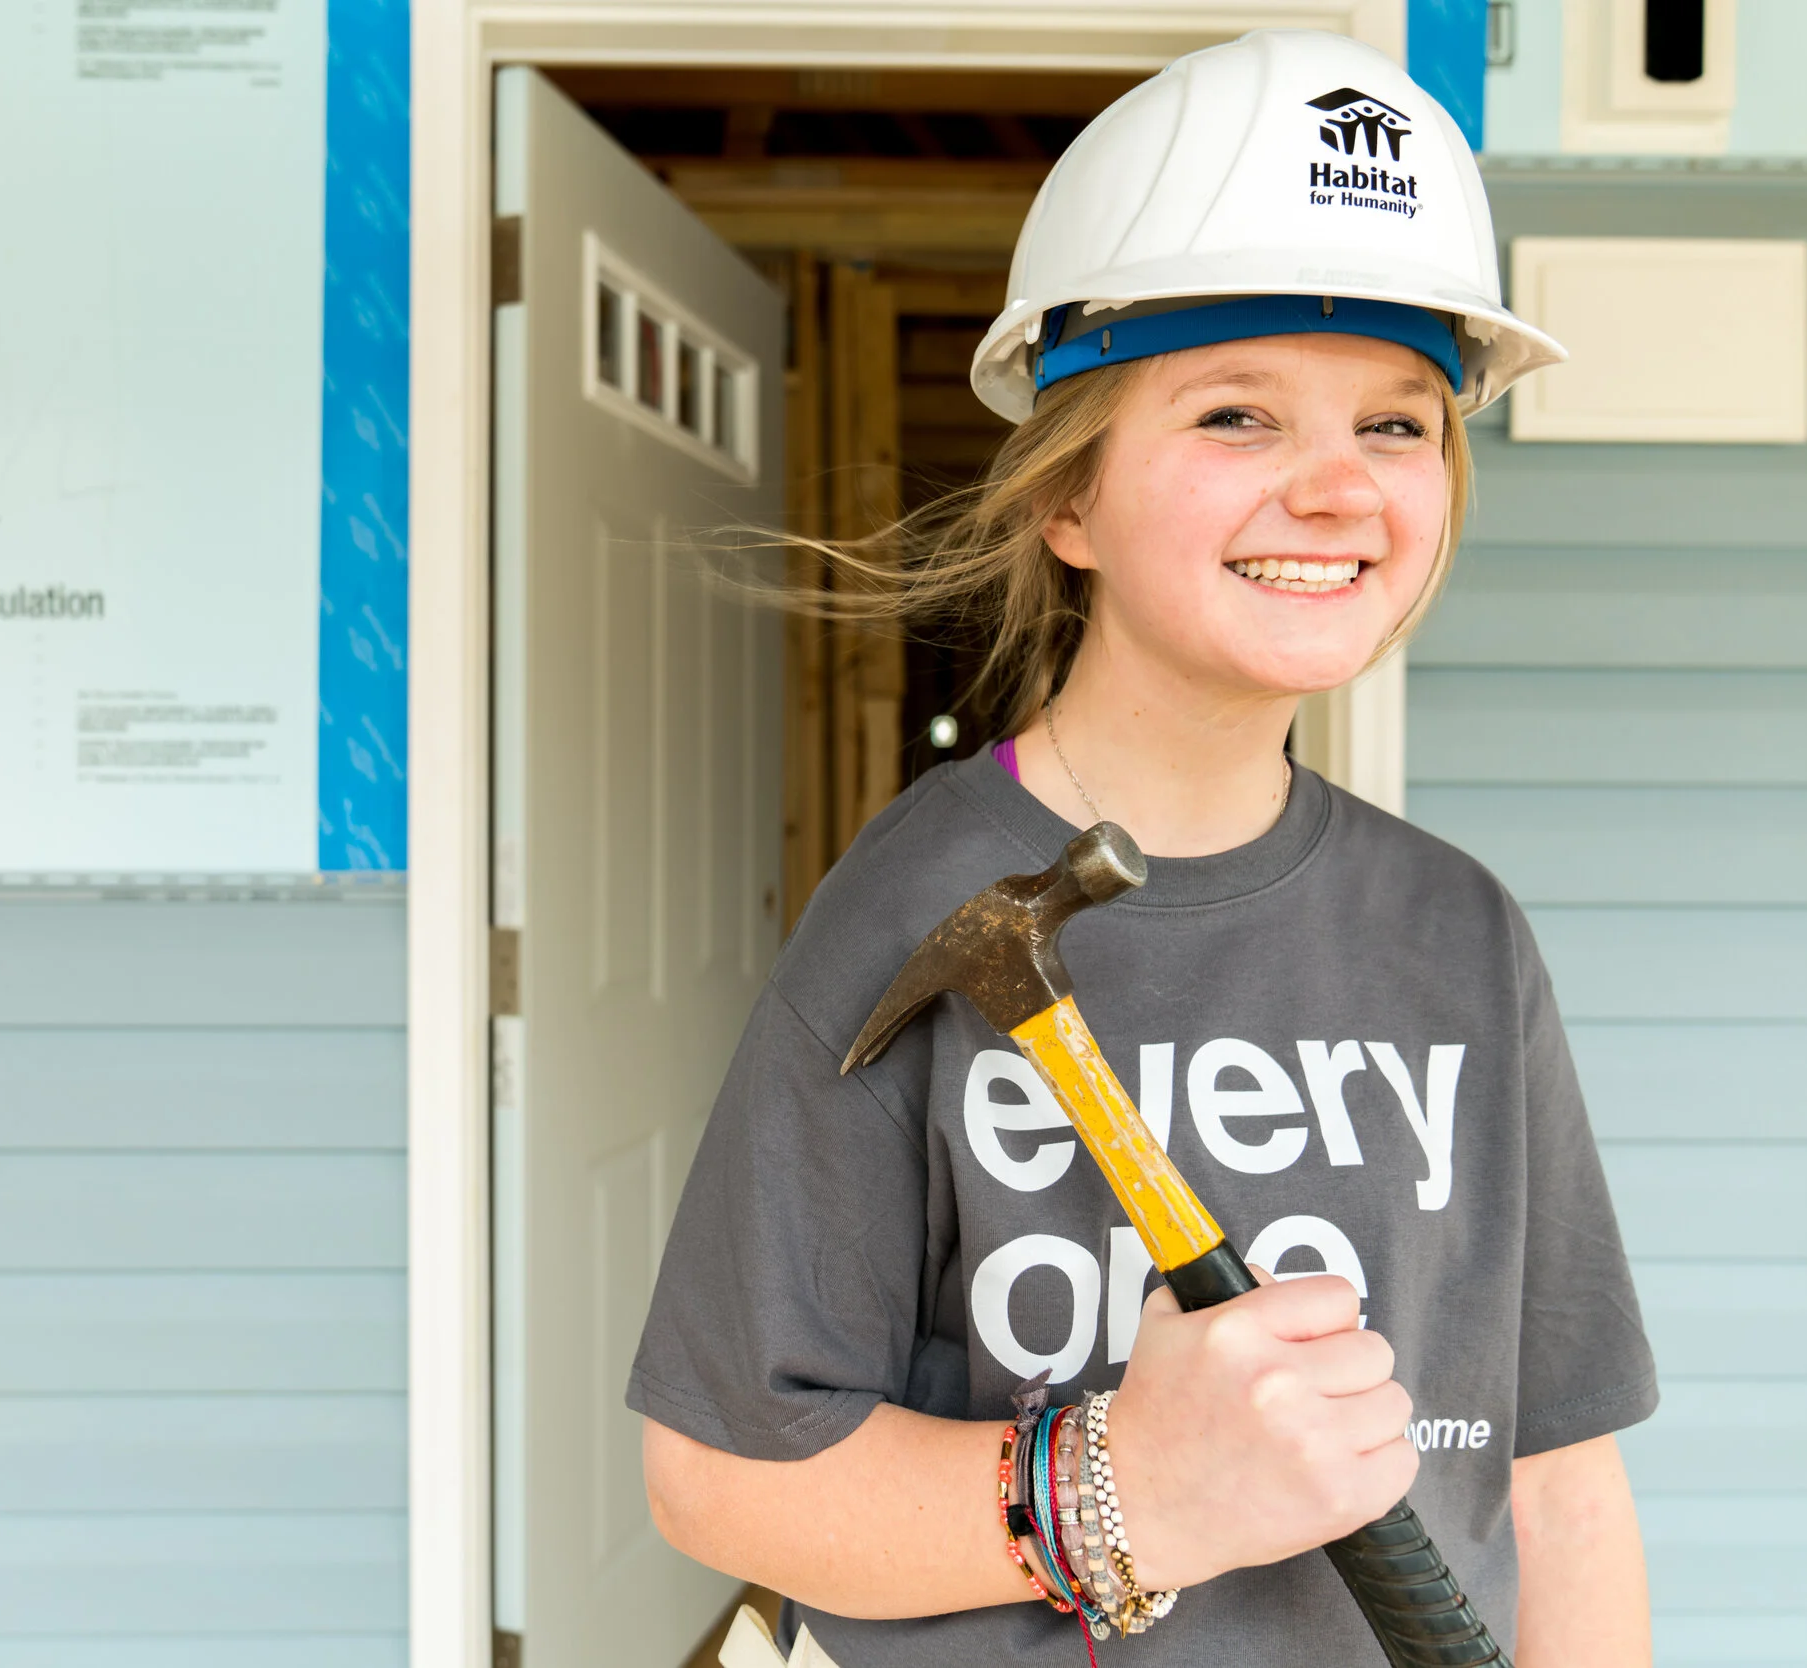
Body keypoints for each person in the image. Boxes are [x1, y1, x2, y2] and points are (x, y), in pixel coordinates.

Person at [627, 28, 1657, 1668]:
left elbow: (1557, 1484)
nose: (1335, 488)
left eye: (1399, 425)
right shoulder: (912, 900)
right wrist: (1127, 1491)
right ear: (1068, 502)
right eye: (1238, 414)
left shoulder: (1458, 932)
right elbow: (723, 1473)